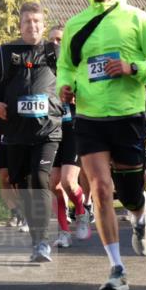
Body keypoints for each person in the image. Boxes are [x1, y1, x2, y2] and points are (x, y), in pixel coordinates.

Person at [57, 0, 146, 290]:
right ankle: (117, 268)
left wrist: (132, 68)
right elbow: (66, 65)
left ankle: (139, 217)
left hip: (127, 117)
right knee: (102, 189)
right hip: (89, 117)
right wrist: (65, 85)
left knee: (131, 193)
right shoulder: (75, 25)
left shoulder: (137, 19)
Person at [0, 2, 62, 262]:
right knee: (20, 184)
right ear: (20, 25)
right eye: (28, 21)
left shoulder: (55, 53)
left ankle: (42, 242)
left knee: (39, 179)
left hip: (47, 131)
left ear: (43, 24)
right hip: (15, 132)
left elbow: (74, 79)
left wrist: (71, 96)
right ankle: (36, 238)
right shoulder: (6, 53)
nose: (33, 26)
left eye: (37, 21)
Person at [47, 25, 89, 247]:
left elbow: (93, 94)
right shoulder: (42, 70)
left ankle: (82, 212)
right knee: (54, 184)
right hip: (51, 131)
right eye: (52, 40)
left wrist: (77, 97)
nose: (56, 44)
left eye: (60, 40)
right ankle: (64, 231)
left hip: (72, 129)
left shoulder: (76, 68)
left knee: (68, 182)